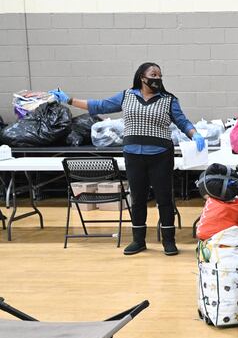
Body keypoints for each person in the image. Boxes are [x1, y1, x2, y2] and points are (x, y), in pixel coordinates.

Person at [50, 63, 204, 256]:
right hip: (133, 155)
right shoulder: (126, 96)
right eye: (153, 74)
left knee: (164, 199)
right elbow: (99, 105)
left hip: (161, 156)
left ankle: (169, 241)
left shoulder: (168, 100)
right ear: (142, 76)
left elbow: (182, 121)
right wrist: (69, 99)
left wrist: (195, 134)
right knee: (138, 198)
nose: (157, 78)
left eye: (160, 75)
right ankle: (138, 240)